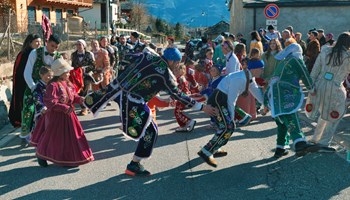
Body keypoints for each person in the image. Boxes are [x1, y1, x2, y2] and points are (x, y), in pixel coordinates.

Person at [83, 47, 217, 176]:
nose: (178, 65)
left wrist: (128, 75)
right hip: (132, 100)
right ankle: (134, 165)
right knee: (151, 131)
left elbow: (128, 57)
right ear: (170, 61)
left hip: (117, 88)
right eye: (177, 62)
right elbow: (178, 95)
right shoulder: (165, 74)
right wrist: (202, 107)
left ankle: (134, 162)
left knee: (147, 128)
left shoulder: (147, 55)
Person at [30, 58, 94, 167]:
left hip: (69, 116)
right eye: (67, 72)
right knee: (52, 138)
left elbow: (73, 96)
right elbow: (50, 102)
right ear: (60, 73)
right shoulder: (53, 86)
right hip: (56, 117)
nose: (69, 74)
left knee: (70, 138)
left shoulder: (68, 83)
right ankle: (41, 154)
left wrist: (80, 99)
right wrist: (63, 107)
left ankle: (68, 158)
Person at [197, 68, 264, 167]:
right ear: (254, 69)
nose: (262, 71)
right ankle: (206, 151)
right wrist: (232, 118)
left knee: (223, 127)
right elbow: (231, 100)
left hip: (222, 100)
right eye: (261, 69)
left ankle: (215, 148)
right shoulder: (240, 78)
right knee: (228, 127)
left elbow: (256, 93)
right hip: (218, 100)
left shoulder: (249, 78)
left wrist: (267, 106)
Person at [264, 42, 320, 158]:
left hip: (272, 95)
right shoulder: (295, 60)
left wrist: (265, 103)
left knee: (282, 123)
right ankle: (300, 143)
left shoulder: (283, 61)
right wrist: (312, 89)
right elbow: (305, 74)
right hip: (284, 94)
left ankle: (280, 148)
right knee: (291, 119)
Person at [308, 32, 350, 151]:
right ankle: (324, 142)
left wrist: (311, 87)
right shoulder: (348, 56)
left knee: (324, 114)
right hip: (336, 88)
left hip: (320, 85)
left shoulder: (325, 50)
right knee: (334, 116)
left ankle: (316, 139)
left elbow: (315, 70)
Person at [22, 35, 61, 146]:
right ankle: (26, 134)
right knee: (29, 109)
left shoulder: (58, 56)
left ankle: (47, 134)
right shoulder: (35, 53)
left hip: (50, 88)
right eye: (52, 45)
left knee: (49, 110)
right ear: (47, 42)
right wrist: (33, 87)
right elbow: (27, 71)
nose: (53, 49)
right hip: (34, 86)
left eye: (56, 47)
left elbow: (59, 73)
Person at [9, 34, 41, 129]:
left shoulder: (37, 53)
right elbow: (19, 71)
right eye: (36, 42)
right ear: (30, 42)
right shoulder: (24, 54)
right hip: (23, 83)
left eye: (40, 41)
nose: (39, 44)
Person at [70, 39, 95, 116]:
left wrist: (84, 69)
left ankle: (85, 107)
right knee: (79, 92)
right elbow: (72, 65)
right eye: (77, 44)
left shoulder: (89, 54)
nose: (78, 46)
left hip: (86, 76)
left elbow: (93, 66)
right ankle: (84, 108)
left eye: (80, 44)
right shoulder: (73, 55)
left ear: (84, 46)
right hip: (77, 77)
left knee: (85, 91)